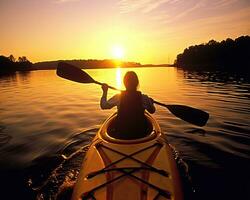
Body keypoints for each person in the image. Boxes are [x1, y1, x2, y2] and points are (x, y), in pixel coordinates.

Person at [100, 71, 155, 139]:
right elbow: (152, 110)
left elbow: (104, 105)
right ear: (137, 83)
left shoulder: (118, 97)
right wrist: (151, 103)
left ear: (124, 83)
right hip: (141, 134)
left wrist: (105, 91)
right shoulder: (144, 98)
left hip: (122, 134)